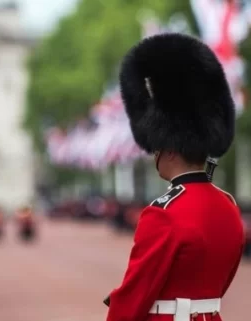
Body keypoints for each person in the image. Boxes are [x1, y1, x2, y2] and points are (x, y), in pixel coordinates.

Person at [103, 33, 243, 321]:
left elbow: (136, 294)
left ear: (169, 150)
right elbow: (222, 281)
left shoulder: (164, 213)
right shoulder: (228, 206)